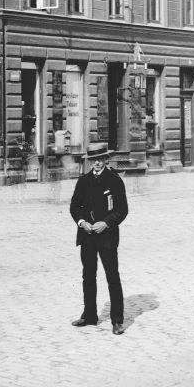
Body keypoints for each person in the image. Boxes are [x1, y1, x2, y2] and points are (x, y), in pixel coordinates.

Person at [69, 143, 129, 335]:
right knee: (88, 276)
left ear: (105, 160)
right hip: (87, 236)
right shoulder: (83, 181)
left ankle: (117, 320)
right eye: (93, 160)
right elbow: (74, 206)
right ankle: (89, 315)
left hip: (107, 237)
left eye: (100, 159)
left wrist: (106, 223)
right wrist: (81, 222)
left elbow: (122, 209)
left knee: (112, 276)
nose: (96, 163)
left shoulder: (114, 180)